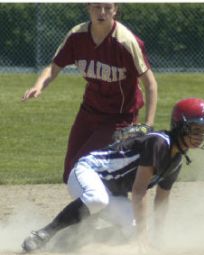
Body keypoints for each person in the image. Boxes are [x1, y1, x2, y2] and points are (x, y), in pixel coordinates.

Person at [22, 97, 204, 253]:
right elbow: (139, 191)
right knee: (98, 199)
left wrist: (158, 237)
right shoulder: (158, 143)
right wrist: (143, 235)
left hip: (112, 192)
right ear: (179, 126)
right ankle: (44, 233)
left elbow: (162, 201)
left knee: (134, 229)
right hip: (89, 171)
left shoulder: (176, 159)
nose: (200, 136)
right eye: (194, 129)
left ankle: (75, 238)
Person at [21, 3, 158, 183]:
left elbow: (150, 84)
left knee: (86, 167)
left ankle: (110, 206)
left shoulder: (125, 41)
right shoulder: (77, 36)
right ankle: (94, 207)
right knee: (70, 172)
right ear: (88, 8)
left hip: (120, 117)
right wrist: (38, 85)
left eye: (107, 8)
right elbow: (53, 69)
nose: (102, 12)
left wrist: (148, 125)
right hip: (89, 111)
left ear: (115, 10)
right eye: (96, 7)